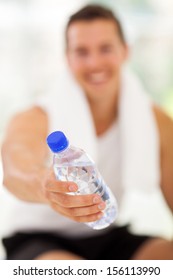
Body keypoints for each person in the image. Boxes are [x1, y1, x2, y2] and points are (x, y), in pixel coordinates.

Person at [1, 4, 173, 260]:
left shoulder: (152, 118)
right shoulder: (37, 116)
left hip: (106, 230)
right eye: (82, 52)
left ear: (125, 52)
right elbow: (14, 173)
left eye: (105, 49)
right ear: (68, 58)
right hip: (39, 238)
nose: (94, 63)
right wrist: (45, 187)